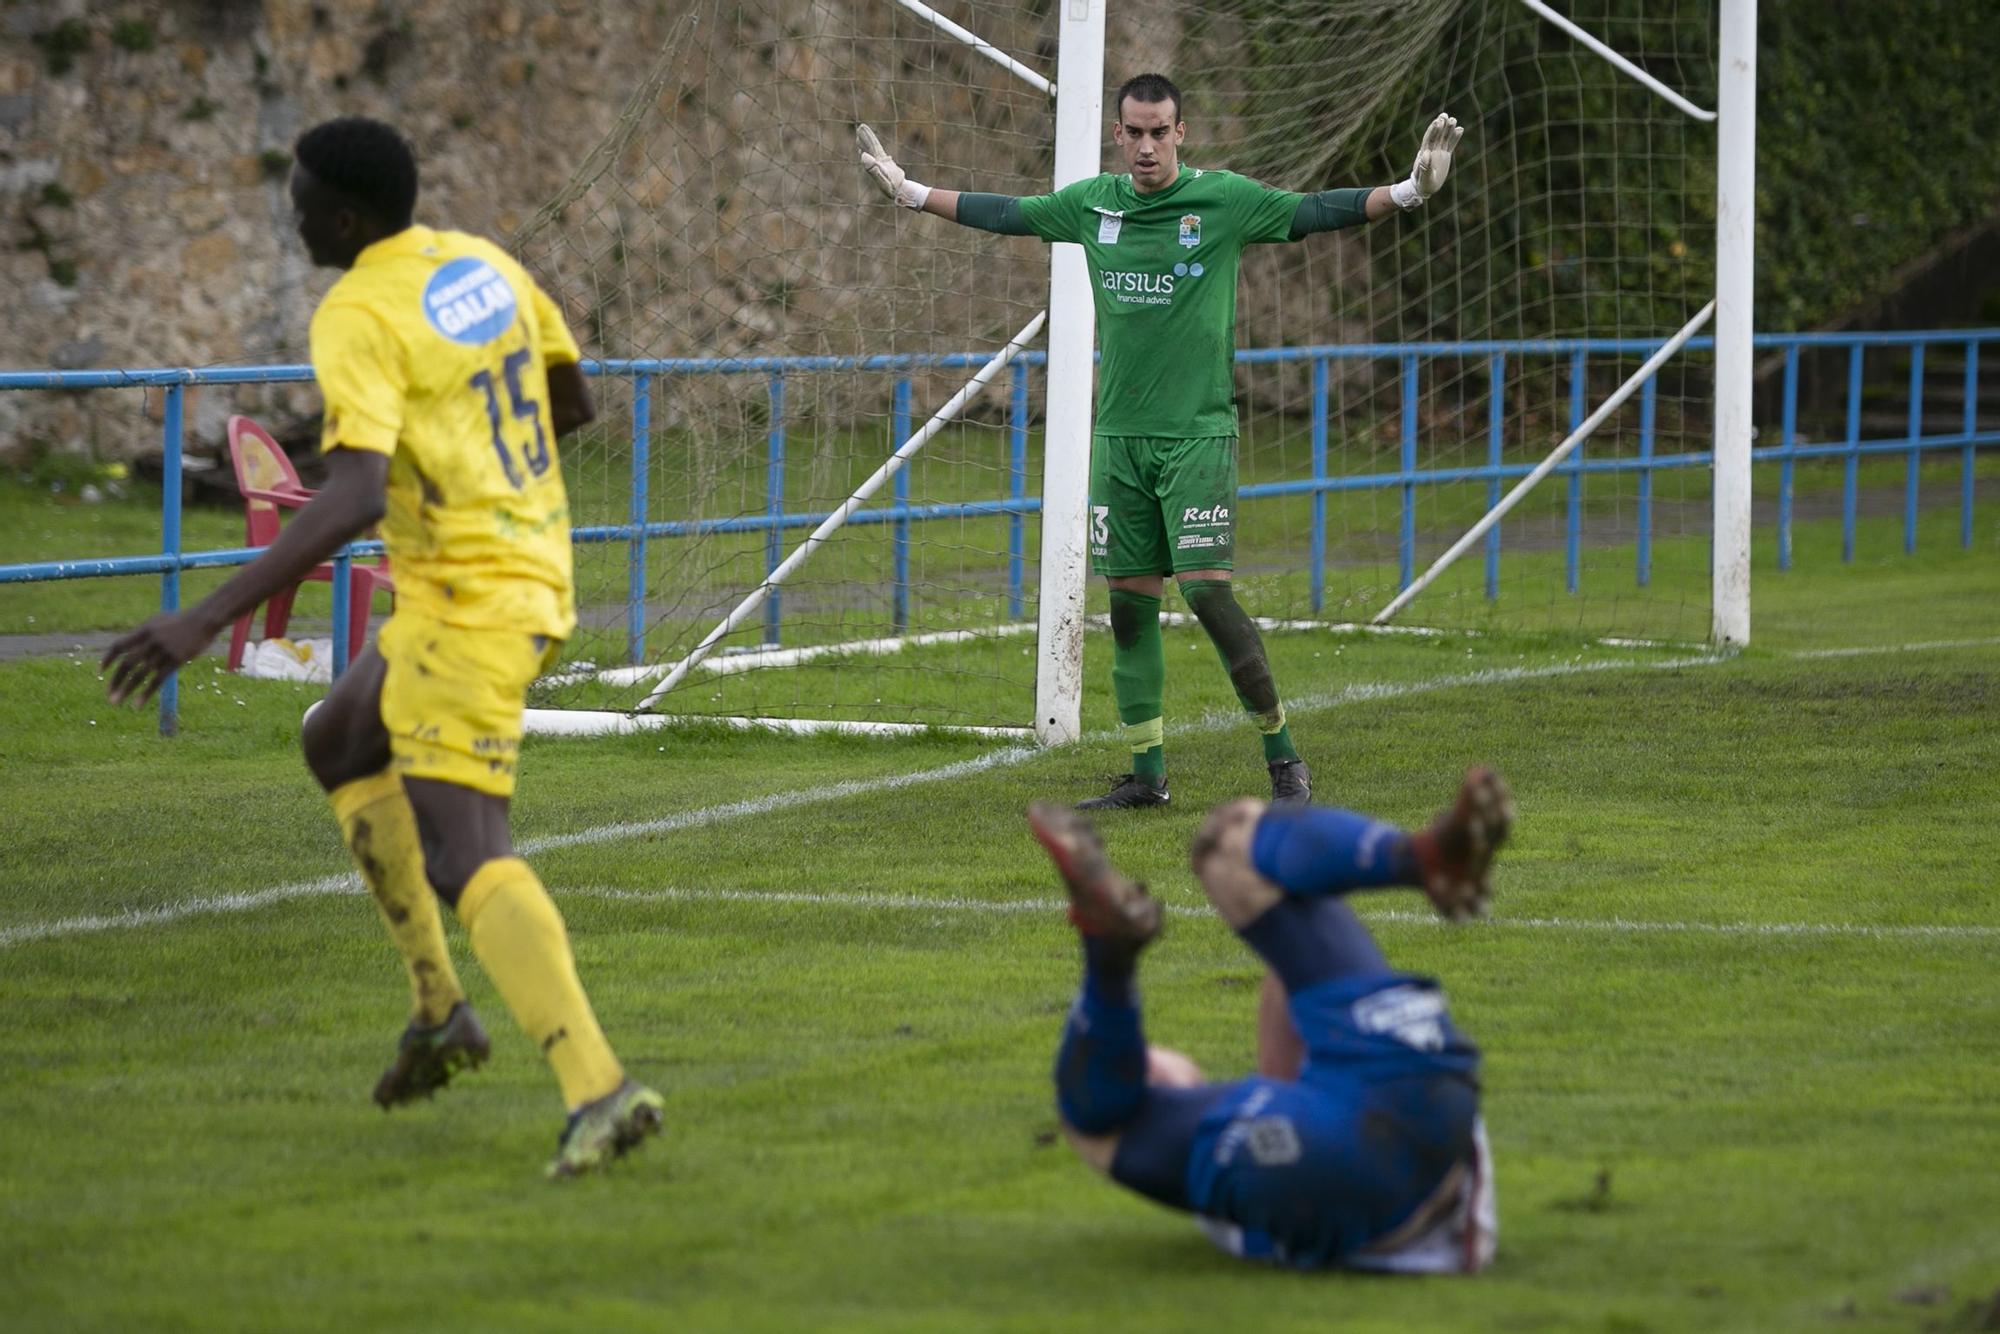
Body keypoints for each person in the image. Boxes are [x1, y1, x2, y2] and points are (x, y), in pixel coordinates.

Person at [100, 116, 663, 1179]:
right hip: (522, 567)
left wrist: (202, 618)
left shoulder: (357, 310)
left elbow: (354, 492)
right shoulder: (482, 265)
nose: (295, 221)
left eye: (304, 205)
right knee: (340, 737)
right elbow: (573, 399)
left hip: (472, 604)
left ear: (349, 218)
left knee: (465, 851)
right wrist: (470, 471)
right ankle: (439, 1012)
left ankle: (599, 1087)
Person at [859, 74, 1465, 810]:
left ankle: (1285, 761)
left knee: (1207, 593)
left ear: (1180, 133)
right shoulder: (1093, 204)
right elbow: (1008, 213)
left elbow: (1313, 211)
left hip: (1197, 436)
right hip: (1119, 440)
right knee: (1129, 606)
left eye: (1159, 132)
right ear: (1118, 135)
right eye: (1135, 133)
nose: (1147, 146)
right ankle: (1147, 776)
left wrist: (1409, 191)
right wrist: (910, 192)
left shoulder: (1224, 200)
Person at [1024, 766, 1510, 1271]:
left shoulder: (1214, 1132)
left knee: (1091, 1121)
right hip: (1419, 1080)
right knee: (1230, 846)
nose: (1152, 1063)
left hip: (1375, 1146)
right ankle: (1417, 858)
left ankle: (1108, 958)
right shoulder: (1243, 1119)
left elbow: (1101, 1102)